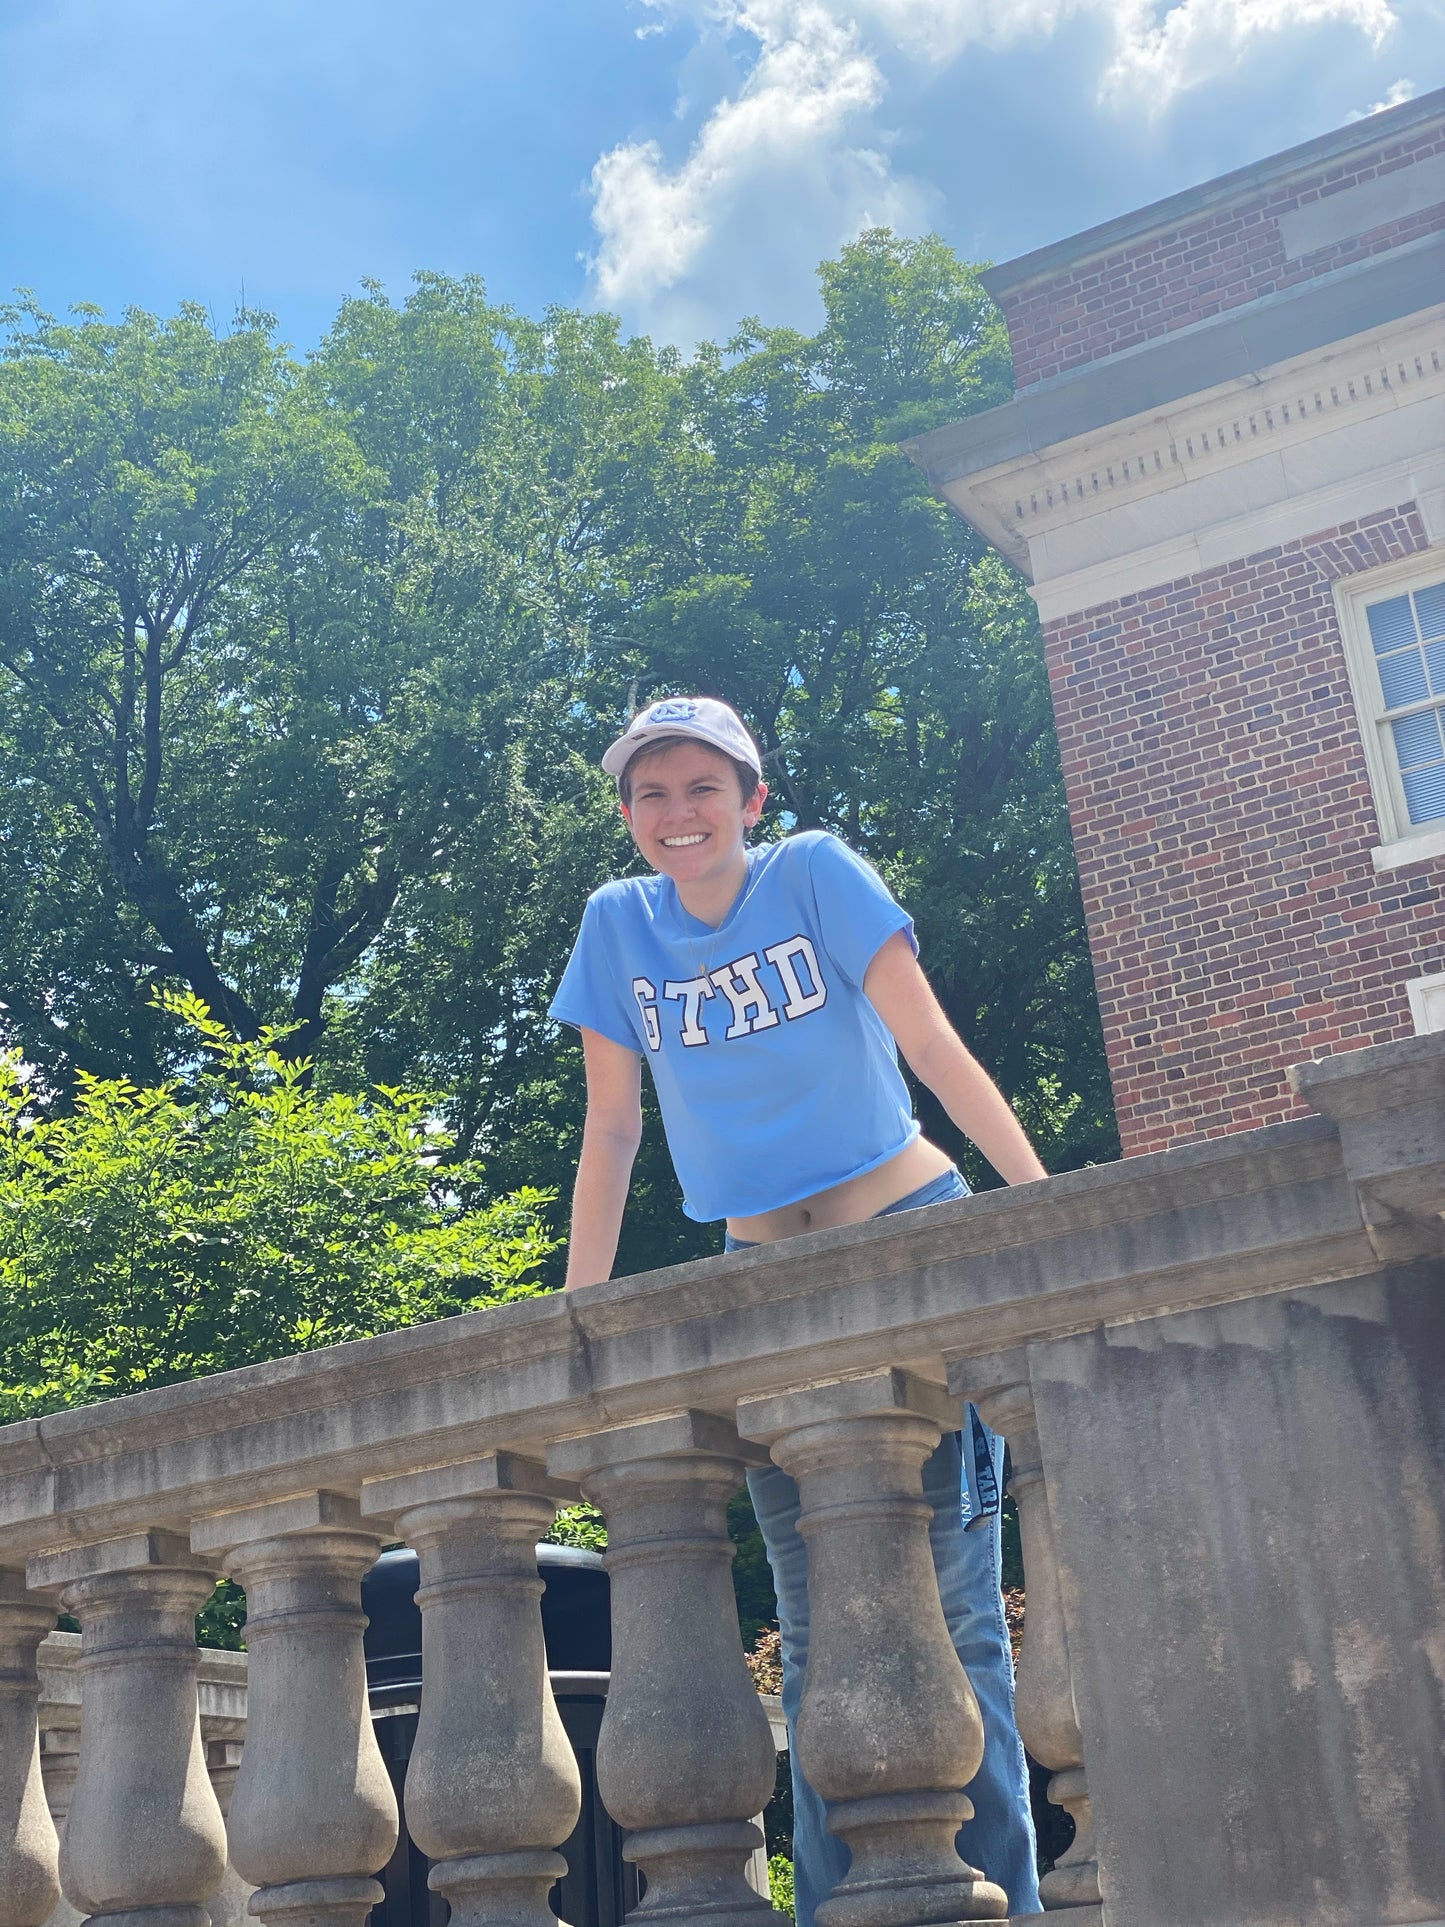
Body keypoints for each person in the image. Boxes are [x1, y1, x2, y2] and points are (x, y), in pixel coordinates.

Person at [550, 694, 1046, 1924]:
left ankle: (1005, 1907)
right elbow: (612, 1127)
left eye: (701, 787)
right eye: (650, 793)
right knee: (817, 1624)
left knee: (957, 1615)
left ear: (750, 799)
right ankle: (845, 1909)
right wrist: (572, 1325)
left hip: (903, 1240)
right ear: (626, 814)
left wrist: (1041, 1208)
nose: (677, 813)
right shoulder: (617, 926)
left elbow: (925, 1041)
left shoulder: (814, 873)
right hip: (756, 1286)